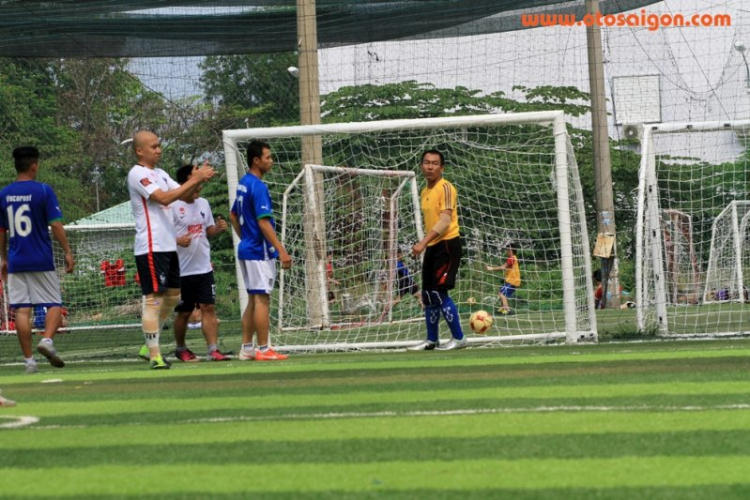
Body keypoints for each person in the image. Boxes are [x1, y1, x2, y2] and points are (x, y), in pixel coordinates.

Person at [128, 131, 215, 370]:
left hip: (168, 246)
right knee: (154, 299)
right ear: (140, 151)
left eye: (159, 146)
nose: (159, 150)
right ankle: (154, 354)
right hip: (151, 246)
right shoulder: (138, 174)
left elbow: (183, 194)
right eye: (154, 147)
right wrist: (194, 180)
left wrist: (198, 179)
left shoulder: (161, 173)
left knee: (174, 296)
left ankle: (149, 343)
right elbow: (164, 199)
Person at [0, 146, 75, 374]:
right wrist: (68, 251)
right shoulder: (43, 190)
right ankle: (47, 341)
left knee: (22, 311)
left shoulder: (3, 194)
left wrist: (3, 258)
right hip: (41, 258)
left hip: (16, 260)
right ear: (34, 165)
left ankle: (29, 362)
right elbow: (55, 223)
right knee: (53, 303)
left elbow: (1, 231)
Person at [230, 140, 292, 361]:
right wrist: (281, 251)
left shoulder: (243, 183)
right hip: (258, 251)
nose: (271, 161)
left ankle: (247, 348)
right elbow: (264, 223)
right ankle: (264, 349)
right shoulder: (258, 186)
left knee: (253, 299)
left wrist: (245, 237)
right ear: (256, 160)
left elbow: (233, 216)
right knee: (262, 299)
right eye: (267, 157)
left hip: (247, 248)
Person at [171, 164, 230, 362]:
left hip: (204, 268)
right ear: (183, 183)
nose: (200, 187)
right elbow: (160, 237)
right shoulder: (171, 206)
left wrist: (218, 229)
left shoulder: (203, 203)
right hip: (181, 271)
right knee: (185, 312)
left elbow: (207, 231)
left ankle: (213, 350)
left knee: (208, 308)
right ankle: (180, 348)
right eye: (196, 181)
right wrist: (177, 241)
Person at [408, 150, 466, 351]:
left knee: (438, 292)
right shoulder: (425, 191)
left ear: (442, 167)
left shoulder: (446, 188)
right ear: (422, 165)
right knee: (427, 295)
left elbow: (445, 221)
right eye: (426, 162)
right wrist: (426, 244)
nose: (430, 166)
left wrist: (422, 242)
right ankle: (432, 340)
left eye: (434, 163)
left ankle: (459, 338)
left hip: (448, 245)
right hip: (433, 246)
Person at [486, 244, 521, 315]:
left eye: (507, 250)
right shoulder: (513, 258)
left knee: (501, 294)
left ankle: (507, 310)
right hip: (512, 281)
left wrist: (491, 268)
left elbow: (503, 267)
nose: (506, 252)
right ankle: (503, 309)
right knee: (501, 293)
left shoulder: (512, 258)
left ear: (510, 250)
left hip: (512, 281)